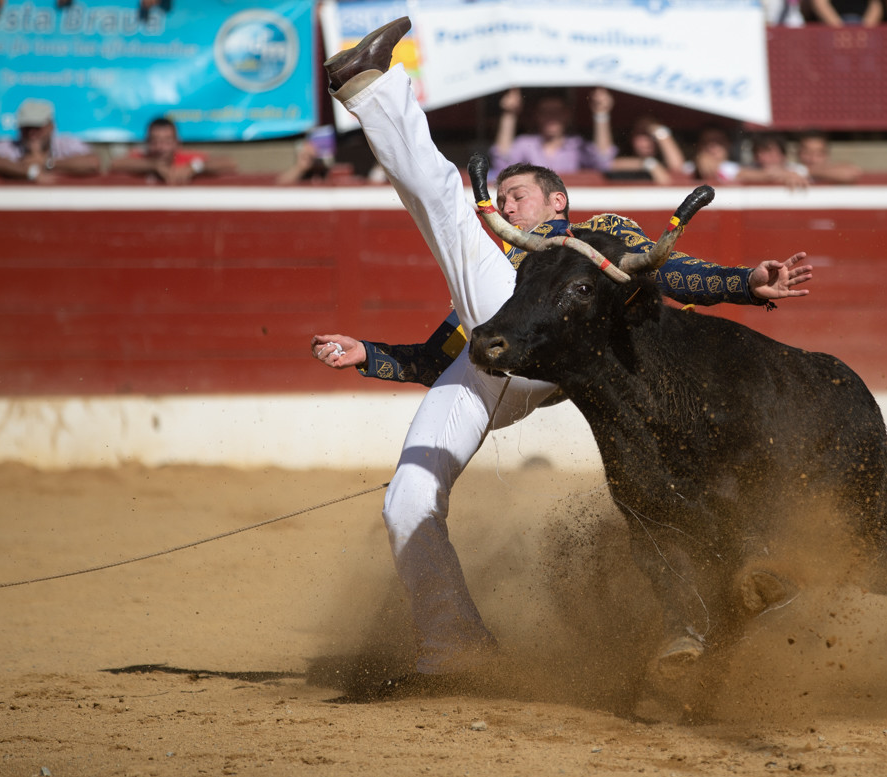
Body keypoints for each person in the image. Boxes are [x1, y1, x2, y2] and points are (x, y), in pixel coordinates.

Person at [315, 17, 814, 698]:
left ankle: (371, 87)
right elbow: (440, 359)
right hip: (499, 356)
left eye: (518, 195)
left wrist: (740, 283)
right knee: (407, 501)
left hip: (559, 351)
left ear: (558, 201)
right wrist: (366, 354)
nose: (506, 204)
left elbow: (665, 271)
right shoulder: (494, 286)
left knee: (446, 205)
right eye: (504, 195)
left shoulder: (593, 239)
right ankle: (453, 643)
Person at [489, 87, 617, 175]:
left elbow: (603, 162)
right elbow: (501, 164)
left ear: (567, 115)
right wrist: (509, 114)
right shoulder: (525, 143)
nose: (551, 117)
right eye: (545, 112)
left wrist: (601, 114)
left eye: (557, 112)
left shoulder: (577, 145)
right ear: (536, 115)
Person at [0, 98, 100, 183]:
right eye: (27, 127)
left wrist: (47, 163)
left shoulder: (65, 143)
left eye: (37, 127)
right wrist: (31, 172)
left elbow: (93, 163)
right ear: (19, 128)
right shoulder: (10, 145)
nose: (32, 133)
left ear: (51, 126)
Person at [110, 117, 236, 185]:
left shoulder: (188, 159)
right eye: (155, 141)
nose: (161, 147)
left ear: (177, 142)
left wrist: (194, 168)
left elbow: (230, 163)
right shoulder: (142, 158)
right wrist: (153, 165)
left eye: (167, 141)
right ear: (147, 142)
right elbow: (115, 164)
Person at [607, 116, 687, 184]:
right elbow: (605, 163)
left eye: (652, 137)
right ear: (631, 137)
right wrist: (649, 164)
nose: (647, 143)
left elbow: (677, 167)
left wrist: (660, 131)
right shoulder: (620, 154)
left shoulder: (664, 161)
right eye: (641, 135)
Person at [736, 133, 810, 189]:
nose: (763, 158)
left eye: (769, 153)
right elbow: (740, 174)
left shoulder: (799, 169)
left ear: (782, 155)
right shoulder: (752, 168)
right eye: (759, 154)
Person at [797, 131, 864, 184]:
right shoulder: (790, 169)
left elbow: (852, 173)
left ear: (826, 155)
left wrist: (805, 171)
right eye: (807, 153)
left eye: (818, 154)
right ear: (798, 153)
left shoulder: (833, 172)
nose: (812, 159)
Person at [809, 0, 885, 25]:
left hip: (863, 26)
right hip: (832, 27)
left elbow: (876, 5)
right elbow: (819, 3)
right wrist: (839, 30)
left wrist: (864, 32)